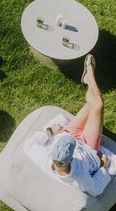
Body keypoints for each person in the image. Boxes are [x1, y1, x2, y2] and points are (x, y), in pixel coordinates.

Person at [46, 54, 112, 195]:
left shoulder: (47, 158)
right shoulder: (79, 178)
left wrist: (52, 132)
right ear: (70, 160)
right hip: (88, 147)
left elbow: (32, 143)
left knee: (92, 103)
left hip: (70, 133)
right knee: (98, 104)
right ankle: (90, 77)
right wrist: (104, 167)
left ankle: (89, 78)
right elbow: (96, 189)